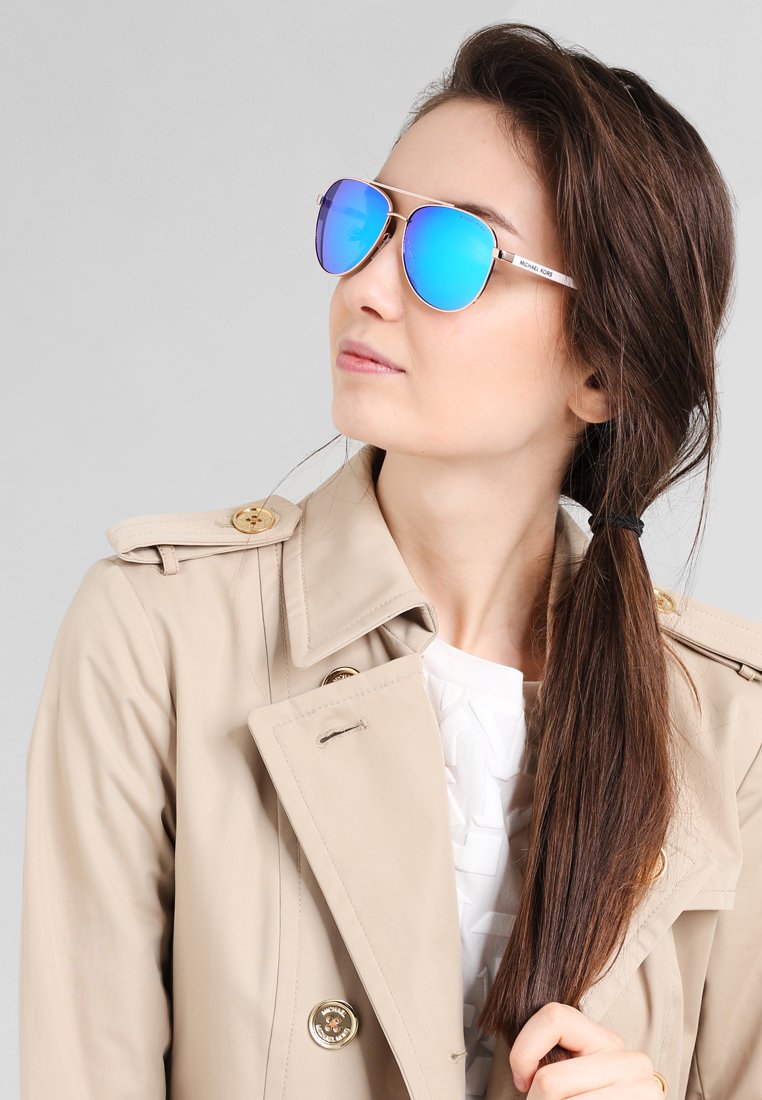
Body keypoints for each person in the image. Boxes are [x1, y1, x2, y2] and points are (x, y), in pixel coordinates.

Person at [19, 20, 761, 1100]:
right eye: (363, 223)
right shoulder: (161, 634)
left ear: (600, 370)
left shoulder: (727, 727)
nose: (366, 285)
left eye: (450, 254)